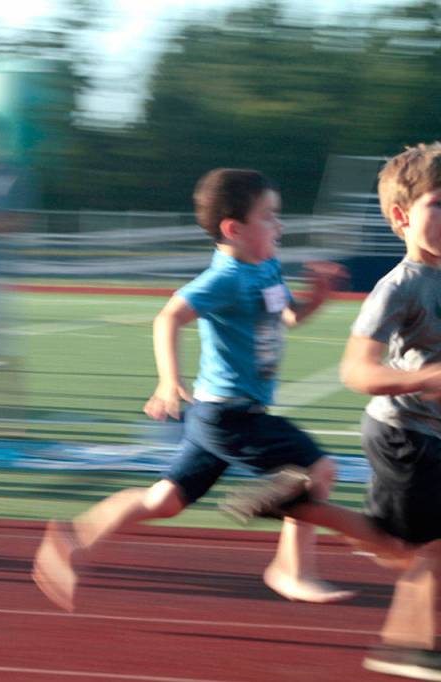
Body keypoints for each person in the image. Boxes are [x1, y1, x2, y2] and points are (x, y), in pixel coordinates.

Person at [33, 167, 400, 613]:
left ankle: (72, 537)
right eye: (269, 216)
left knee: (164, 500)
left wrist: (316, 298)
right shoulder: (222, 279)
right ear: (234, 229)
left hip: (220, 417)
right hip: (230, 417)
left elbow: (286, 316)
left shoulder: (264, 267)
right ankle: (291, 569)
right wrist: (170, 381)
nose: (279, 226)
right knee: (317, 469)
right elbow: (168, 317)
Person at [225, 144, 441, 680]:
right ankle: (409, 648)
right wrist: (425, 378)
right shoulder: (401, 286)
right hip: (404, 433)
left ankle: (298, 504)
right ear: (401, 216)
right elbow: (356, 372)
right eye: (440, 204)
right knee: (419, 547)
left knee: (401, 546)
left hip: (429, 433)